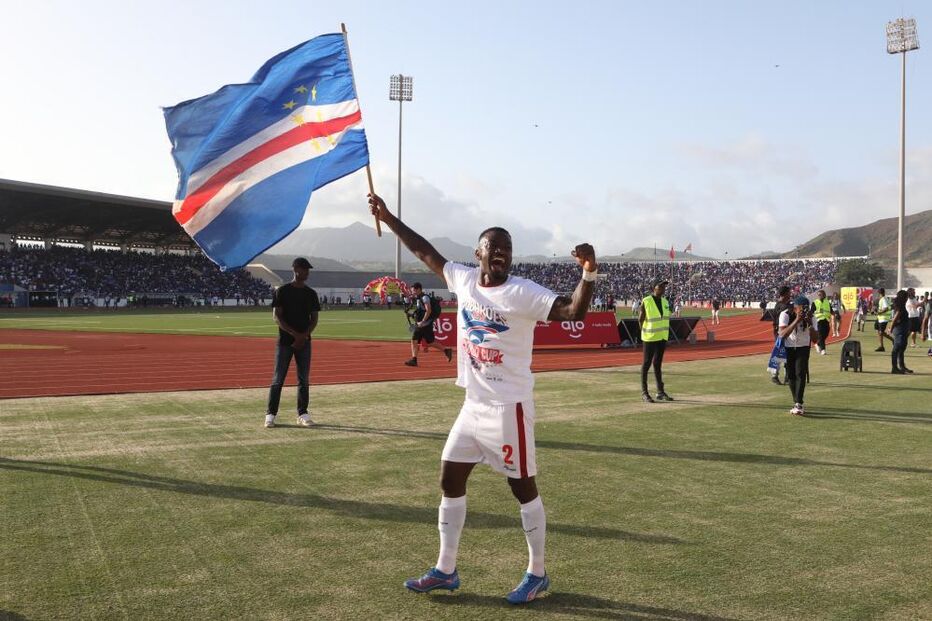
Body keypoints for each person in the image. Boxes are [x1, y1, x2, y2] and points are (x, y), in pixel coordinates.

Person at [368, 192, 596, 604]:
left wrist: (588, 273)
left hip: (510, 407)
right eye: (494, 247)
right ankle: (446, 569)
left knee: (522, 488)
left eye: (507, 249)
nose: (502, 254)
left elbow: (573, 312)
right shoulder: (463, 279)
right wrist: (388, 217)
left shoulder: (523, 292)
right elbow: (424, 252)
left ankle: (537, 572)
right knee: (449, 478)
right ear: (479, 253)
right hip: (473, 405)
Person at [264, 257, 320, 429]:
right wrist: (295, 335)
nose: (307, 272)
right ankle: (270, 415)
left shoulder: (311, 293)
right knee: (278, 379)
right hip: (285, 342)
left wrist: (303, 336)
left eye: (308, 269)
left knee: (304, 380)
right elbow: (277, 317)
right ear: (296, 269)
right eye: (304, 269)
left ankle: (303, 414)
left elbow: (314, 319)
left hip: (304, 342)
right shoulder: (282, 291)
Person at [778, 295, 819, 416]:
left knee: (800, 373)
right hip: (789, 346)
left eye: (806, 308)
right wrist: (796, 320)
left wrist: (809, 323)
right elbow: (782, 334)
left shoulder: (812, 317)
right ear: (795, 307)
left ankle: (799, 403)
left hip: (803, 347)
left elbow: (816, 339)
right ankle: (796, 401)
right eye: (802, 308)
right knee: (790, 375)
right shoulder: (786, 314)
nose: (804, 311)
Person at [639, 278, 673, 403]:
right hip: (649, 337)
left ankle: (660, 392)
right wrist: (644, 332)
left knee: (657, 364)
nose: (663, 289)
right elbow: (640, 319)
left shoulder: (665, 301)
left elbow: (665, 317)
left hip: (662, 337)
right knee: (646, 364)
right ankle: (644, 392)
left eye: (664, 287)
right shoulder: (646, 301)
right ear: (654, 288)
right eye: (660, 286)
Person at [405, 282, 453, 366]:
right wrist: (412, 315)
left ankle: (414, 360)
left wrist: (423, 321)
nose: (412, 292)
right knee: (429, 342)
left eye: (413, 290)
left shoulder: (425, 298)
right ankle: (446, 350)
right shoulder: (419, 298)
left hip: (424, 324)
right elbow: (421, 311)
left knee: (415, 340)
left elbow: (428, 310)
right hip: (424, 324)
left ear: (418, 289)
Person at [770, 285, 792, 385]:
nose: (790, 295)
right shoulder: (783, 306)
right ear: (785, 294)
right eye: (789, 293)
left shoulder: (778, 305)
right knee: (782, 353)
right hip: (782, 332)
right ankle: (776, 375)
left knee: (784, 353)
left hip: (780, 331)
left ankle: (784, 375)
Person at [888, 290, 913, 374]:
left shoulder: (901, 306)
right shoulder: (900, 307)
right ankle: (894, 368)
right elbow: (895, 319)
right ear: (903, 297)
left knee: (901, 349)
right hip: (899, 330)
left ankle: (902, 367)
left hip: (902, 330)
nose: (907, 298)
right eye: (906, 297)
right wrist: (891, 329)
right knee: (896, 349)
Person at [810, 289, 831, 355]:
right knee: (821, 335)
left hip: (826, 320)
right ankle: (823, 350)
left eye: (820, 294)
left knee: (826, 334)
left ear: (824, 295)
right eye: (818, 295)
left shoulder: (827, 302)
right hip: (818, 320)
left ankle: (818, 344)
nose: (819, 296)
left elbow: (831, 310)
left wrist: (834, 315)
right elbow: (811, 312)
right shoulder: (815, 302)